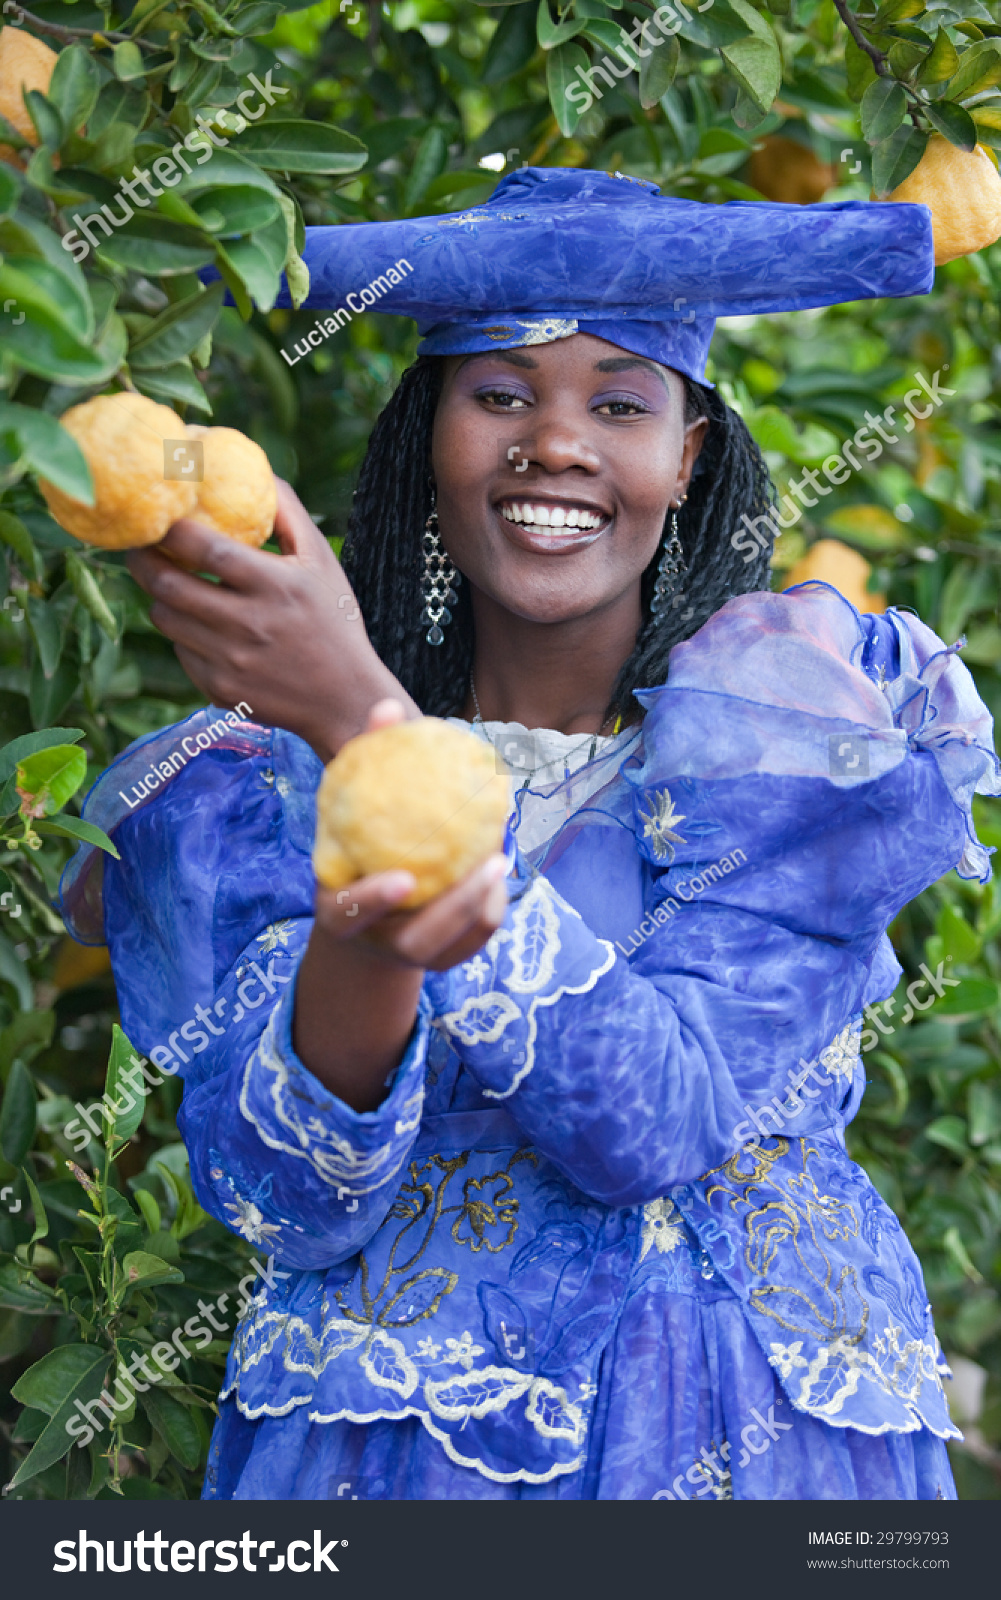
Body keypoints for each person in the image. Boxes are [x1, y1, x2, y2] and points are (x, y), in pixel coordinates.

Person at [61, 168, 998, 1500]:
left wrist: (375, 727)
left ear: (686, 455)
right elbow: (290, 1199)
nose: (555, 442)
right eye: (498, 392)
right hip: (396, 1455)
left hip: (750, 1440)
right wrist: (375, 905)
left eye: (619, 404)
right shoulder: (264, 779)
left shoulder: (792, 730)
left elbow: (654, 1126)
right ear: (428, 433)